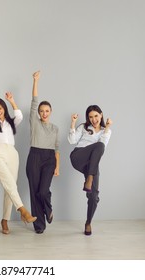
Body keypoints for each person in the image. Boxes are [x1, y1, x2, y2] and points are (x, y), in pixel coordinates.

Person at [0, 92, 36, 234]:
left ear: (4, 108)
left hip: (12, 154)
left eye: (0, 108)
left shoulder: (11, 121)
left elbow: (20, 116)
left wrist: (12, 101)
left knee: (10, 187)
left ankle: (4, 220)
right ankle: (23, 210)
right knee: (9, 183)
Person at [68, 105, 113, 236]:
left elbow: (102, 147)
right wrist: (73, 123)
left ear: (101, 115)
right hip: (78, 157)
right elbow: (72, 140)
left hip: (92, 165)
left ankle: (88, 222)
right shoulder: (84, 127)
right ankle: (90, 177)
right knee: (99, 145)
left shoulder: (106, 131)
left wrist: (108, 127)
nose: (94, 120)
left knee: (93, 197)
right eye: (91, 117)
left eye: (96, 116)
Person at [26, 71, 60, 234]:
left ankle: (48, 209)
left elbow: (57, 149)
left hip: (49, 159)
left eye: (47, 111)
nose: (44, 113)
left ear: (51, 111)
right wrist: (35, 81)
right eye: (41, 111)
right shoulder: (34, 122)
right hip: (34, 157)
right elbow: (34, 101)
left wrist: (57, 167)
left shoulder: (55, 129)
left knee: (43, 191)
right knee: (34, 192)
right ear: (38, 113)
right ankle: (39, 225)